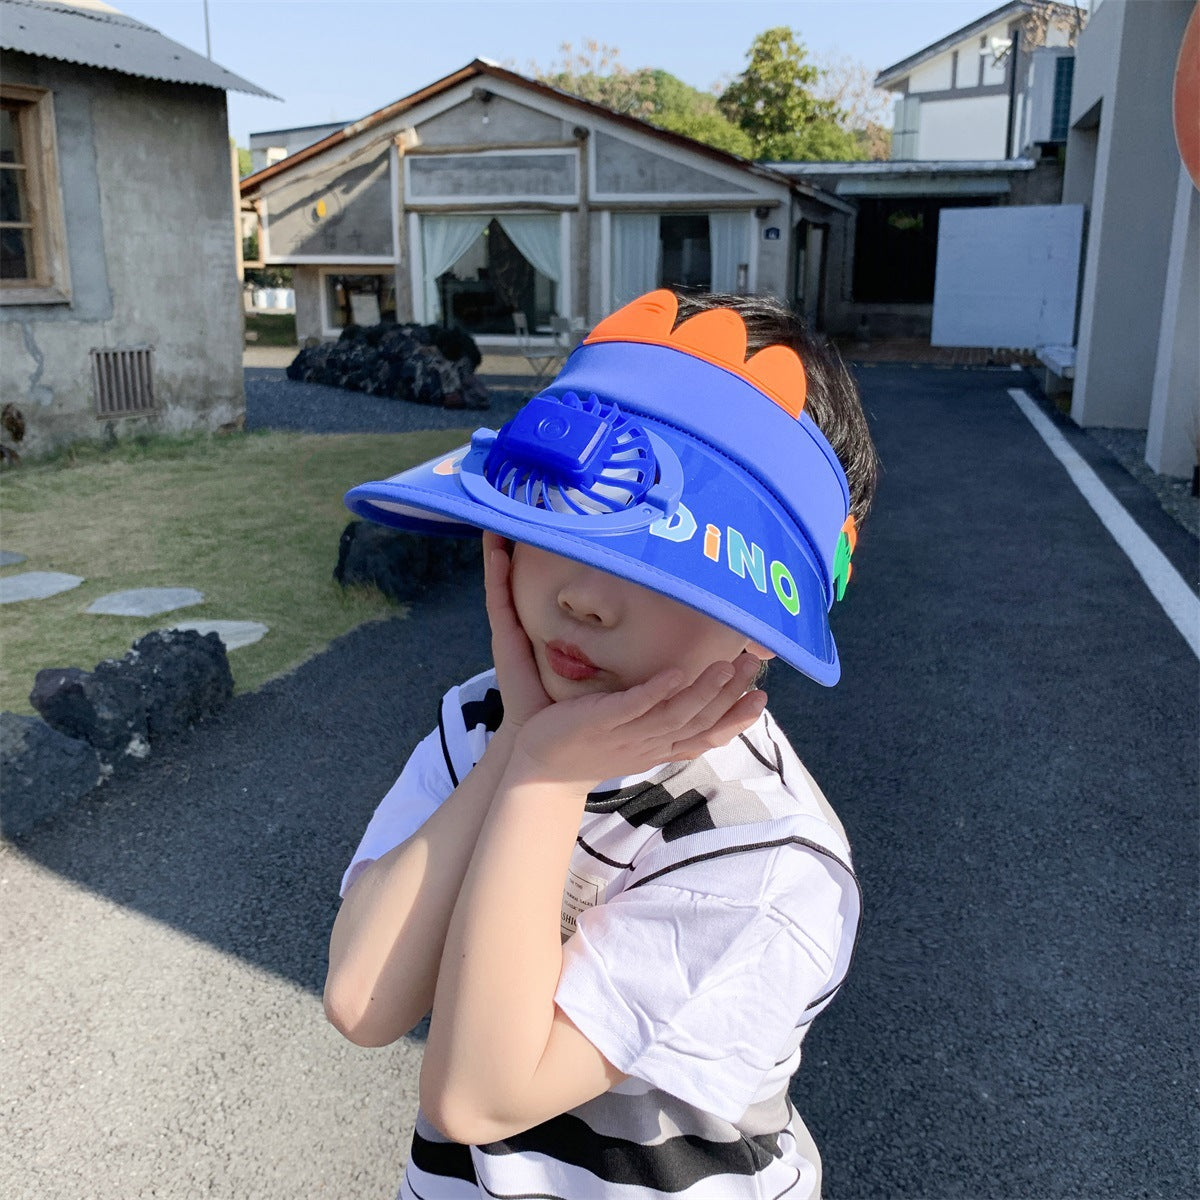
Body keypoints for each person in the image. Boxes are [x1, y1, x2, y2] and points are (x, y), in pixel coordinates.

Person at [324, 288, 878, 1199]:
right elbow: (362, 998)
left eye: (665, 565)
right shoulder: (486, 720)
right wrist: (519, 742)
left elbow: (479, 1096)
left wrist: (544, 773)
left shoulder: (764, 852)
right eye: (556, 519)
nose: (583, 597)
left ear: (764, 626)